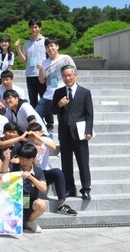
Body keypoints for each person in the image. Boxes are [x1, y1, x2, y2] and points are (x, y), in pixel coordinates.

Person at [52, 64, 94, 200]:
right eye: (64, 76)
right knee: (66, 163)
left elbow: (89, 114)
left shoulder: (85, 92)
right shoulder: (58, 92)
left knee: (83, 162)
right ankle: (70, 188)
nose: (67, 78)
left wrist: (88, 131)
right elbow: (52, 111)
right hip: (64, 133)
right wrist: (59, 105)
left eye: (70, 75)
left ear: (75, 76)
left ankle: (86, 189)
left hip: (80, 133)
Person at [25, 122, 78, 216]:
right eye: (31, 134)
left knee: (58, 172)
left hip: (45, 172)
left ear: (41, 132)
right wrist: (33, 152)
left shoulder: (46, 139)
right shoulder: (28, 144)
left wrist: (38, 139)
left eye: (35, 133)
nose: (33, 136)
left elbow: (53, 148)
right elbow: (35, 165)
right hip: (34, 174)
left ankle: (62, 205)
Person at [36, 37, 76, 134]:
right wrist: (41, 70)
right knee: (36, 115)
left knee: (65, 119)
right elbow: (41, 81)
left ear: (57, 46)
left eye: (51, 46)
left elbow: (74, 74)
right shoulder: (44, 63)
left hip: (63, 93)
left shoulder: (66, 58)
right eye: (47, 47)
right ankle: (42, 133)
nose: (50, 48)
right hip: (49, 94)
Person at [15, 19, 48, 127]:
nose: (34, 29)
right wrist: (18, 49)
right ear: (29, 29)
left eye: (36, 27)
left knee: (45, 99)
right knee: (33, 101)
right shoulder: (27, 43)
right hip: (30, 74)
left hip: (42, 74)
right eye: (32, 27)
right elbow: (24, 60)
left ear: (40, 28)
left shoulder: (45, 41)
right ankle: (38, 123)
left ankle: (50, 123)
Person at [18, 143, 47, 233]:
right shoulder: (14, 167)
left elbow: (43, 188)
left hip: (29, 204)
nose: (24, 162)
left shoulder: (38, 171)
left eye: (27, 159)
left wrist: (31, 177)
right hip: (15, 203)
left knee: (41, 204)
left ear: (33, 159)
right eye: (22, 159)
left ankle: (30, 222)